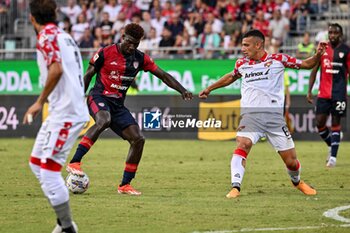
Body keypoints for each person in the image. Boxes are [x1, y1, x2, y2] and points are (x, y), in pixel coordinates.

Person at [66, 23, 193, 195]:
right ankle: (75, 162)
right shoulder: (105, 52)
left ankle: (125, 185)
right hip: (98, 97)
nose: (132, 46)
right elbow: (88, 74)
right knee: (104, 120)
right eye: (130, 42)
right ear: (123, 37)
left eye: (136, 44)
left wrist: (182, 90)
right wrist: (79, 100)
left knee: (138, 139)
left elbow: (163, 75)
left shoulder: (140, 58)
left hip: (118, 105)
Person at [199, 29, 327, 198]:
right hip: (251, 116)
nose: (243, 48)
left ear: (258, 45)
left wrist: (317, 54)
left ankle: (297, 182)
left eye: (246, 45)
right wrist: (209, 88)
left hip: (274, 118)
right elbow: (231, 77)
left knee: (291, 162)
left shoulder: (278, 60)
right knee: (243, 143)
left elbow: (307, 64)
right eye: (242, 45)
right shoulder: (241, 64)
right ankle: (235, 187)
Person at [23, 0, 89, 232]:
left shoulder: (46, 37)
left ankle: (68, 227)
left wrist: (39, 102)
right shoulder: (64, 35)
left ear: (32, 18)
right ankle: (64, 223)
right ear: (55, 13)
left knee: (49, 173)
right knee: (36, 164)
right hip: (61, 111)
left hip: (67, 113)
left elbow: (57, 69)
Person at [307, 23, 350, 168]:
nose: (332, 35)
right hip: (323, 94)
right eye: (330, 32)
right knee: (319, 123)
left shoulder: (346, 50)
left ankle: (333, 158)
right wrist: (309, 91)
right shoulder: (322, 48)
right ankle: (333, 143)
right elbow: (314, 70)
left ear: (340, 35)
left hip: (339, 93)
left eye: (335, 33)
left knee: (336, 123)